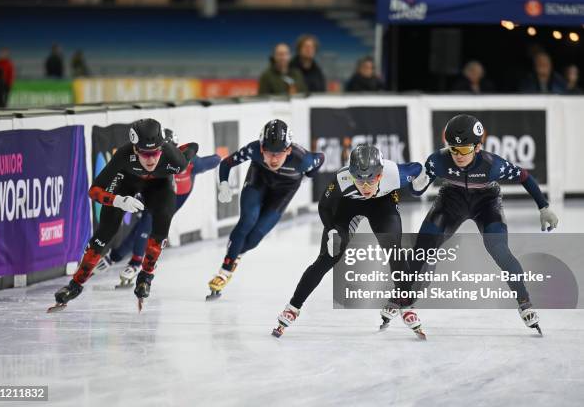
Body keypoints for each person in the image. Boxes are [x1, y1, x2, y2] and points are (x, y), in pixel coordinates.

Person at [403, 114, 558, 334]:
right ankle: (403, 298)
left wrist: (544, 206)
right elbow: (417, 190)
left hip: (486, 203)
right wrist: (414, 182)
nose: (458, 156)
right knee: (424, 247)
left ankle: (524, 301)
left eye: (464, 150)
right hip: (451, 201)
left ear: (477, 147)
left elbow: (524, 176)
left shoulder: (492, 165)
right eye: (453, 149)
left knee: (499, 249)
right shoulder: (437, 160)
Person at [272, 144, 426, 339]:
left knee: (394, 250)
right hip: (348, 207)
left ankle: (406, 303)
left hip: (382, 206)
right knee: (328, 257)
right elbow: (324, 207)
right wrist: (331, 230)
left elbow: (419, 168)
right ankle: (293, 307)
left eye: (371, 180)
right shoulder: (342, 178)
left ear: (380, 174)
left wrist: (418, 185)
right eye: (360, 181)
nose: (366, 187)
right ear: (352, 176)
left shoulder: (395, 173)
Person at [49, 119, 198, 312]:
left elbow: (193, 147)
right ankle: (75, 285)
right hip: (127, 183)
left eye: (156, 152)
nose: (152, 160)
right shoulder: (124, 155)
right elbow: (93, 191)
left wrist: (175, 149)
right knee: (104, 234)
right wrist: (118, 200)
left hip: (159, 185)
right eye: (146, 154)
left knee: (163, 219)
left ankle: (145, 277)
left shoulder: (174, 160)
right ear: (135, 150)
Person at [207, 119, 324, 300]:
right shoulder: (253, 149)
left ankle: (237, 255)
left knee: (255, 236)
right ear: (261, 149)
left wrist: (309, 175)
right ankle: (225, 271)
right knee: (247, 221)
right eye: (269, 153)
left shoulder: (303, 159)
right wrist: (223, 184)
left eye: (279, 153)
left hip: (284, 190)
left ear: (289, 150)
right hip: (259, 180)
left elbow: (320, 159)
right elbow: (226, 163)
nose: (274, 159)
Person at [96, 139, 221, 287]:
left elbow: (215, 160)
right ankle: (116, 257)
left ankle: (134, 263)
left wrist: (221, 161)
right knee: (143, 226)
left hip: (175, 199)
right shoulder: (151, 163)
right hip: (158, 194)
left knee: (147, 222)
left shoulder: (192, 163)